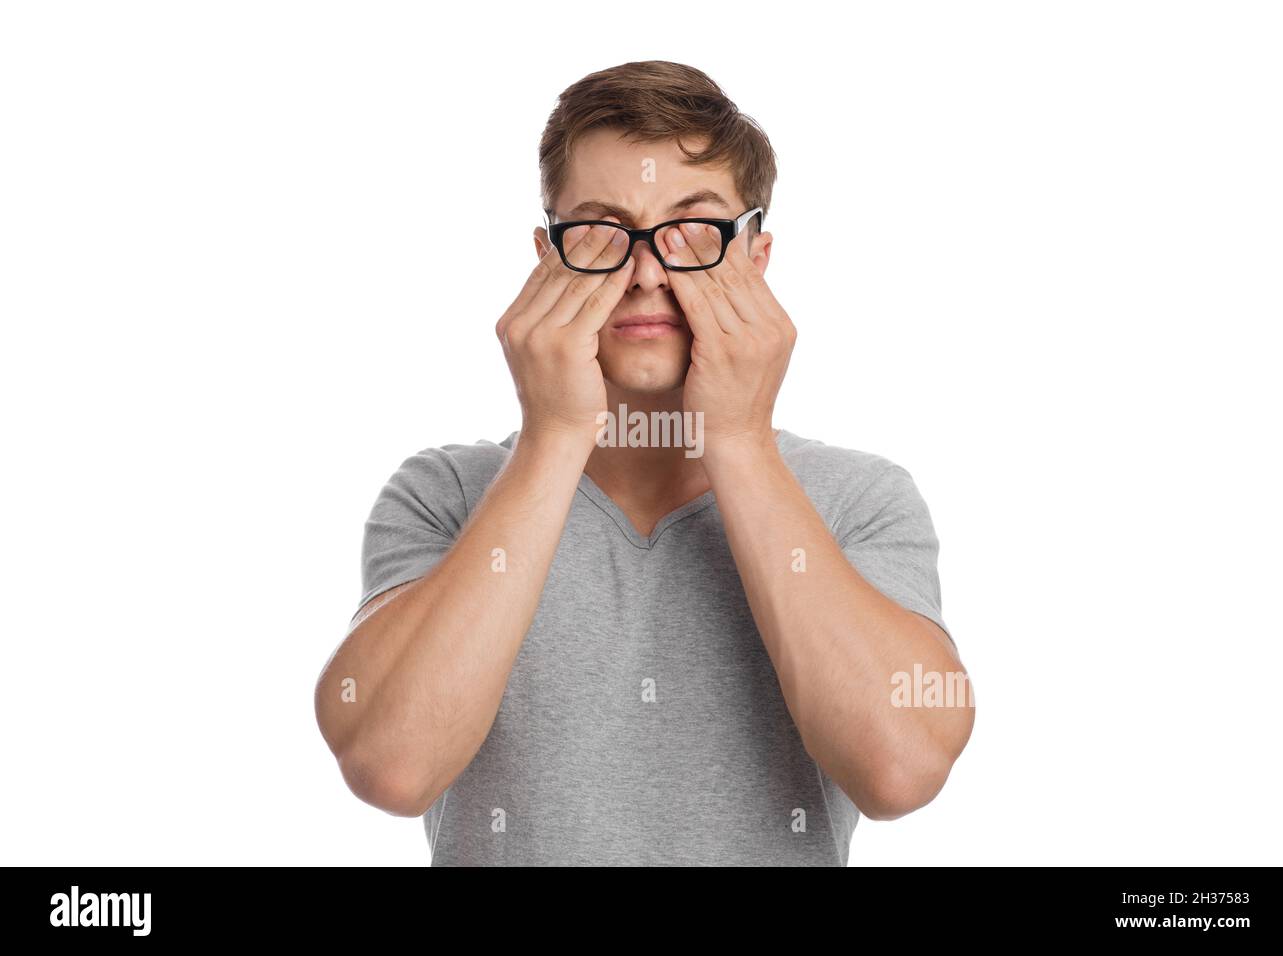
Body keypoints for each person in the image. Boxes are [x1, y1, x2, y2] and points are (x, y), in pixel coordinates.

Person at [315, 60, 974, 866]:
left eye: (693, 231)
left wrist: (738, 440)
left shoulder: (859, 498)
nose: (648, 273)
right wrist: (554, 433)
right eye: (600, 230)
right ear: (546, 257)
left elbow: (901, 770)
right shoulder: (443, 495)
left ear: (756, 259)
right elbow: (391, 766)